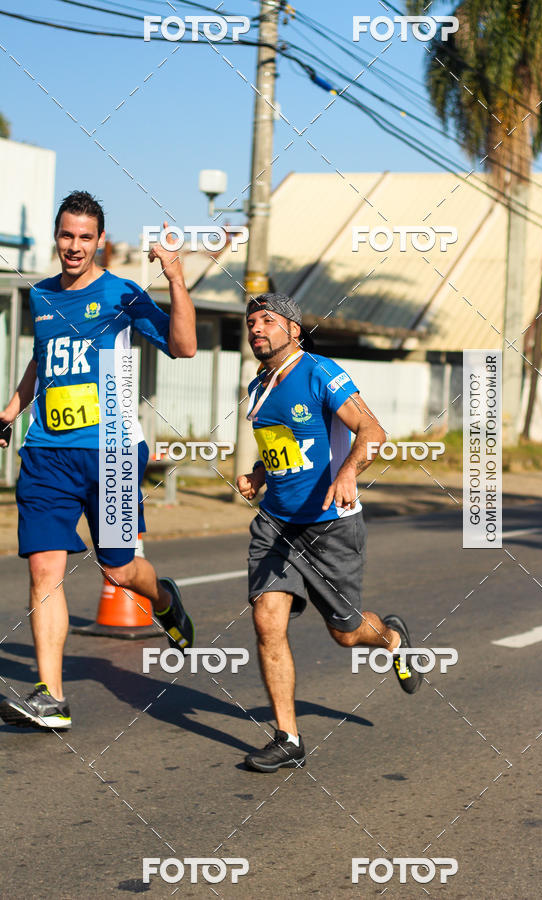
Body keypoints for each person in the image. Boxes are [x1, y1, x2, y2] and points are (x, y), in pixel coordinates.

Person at [0, 190, 196, 731]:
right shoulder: (40, 296)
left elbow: (184, 347)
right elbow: (41, 363)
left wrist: (176, 278)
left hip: (110, 453)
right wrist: (10, 411)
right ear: (55, 236)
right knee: (44, 569)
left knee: (118, 567)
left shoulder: (121, 295)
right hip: (46, 455)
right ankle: (51, 697)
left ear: (100, 242)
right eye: (67, 235)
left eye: (85, 237)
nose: (74, 246)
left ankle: (163, 599)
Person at [236, 292, 422, 773]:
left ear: (294, 330)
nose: (257, 328)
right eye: (252, 321)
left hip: (329, 527)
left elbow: (372, 431)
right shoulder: (259, 384)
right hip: (276, 525)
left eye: (268, 320)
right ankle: (288, 737)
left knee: (345, 634)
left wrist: (348, 473)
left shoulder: (320, 371)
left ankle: (392, 639)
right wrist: (260, 474)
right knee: (266, 622)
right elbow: (286, 447)